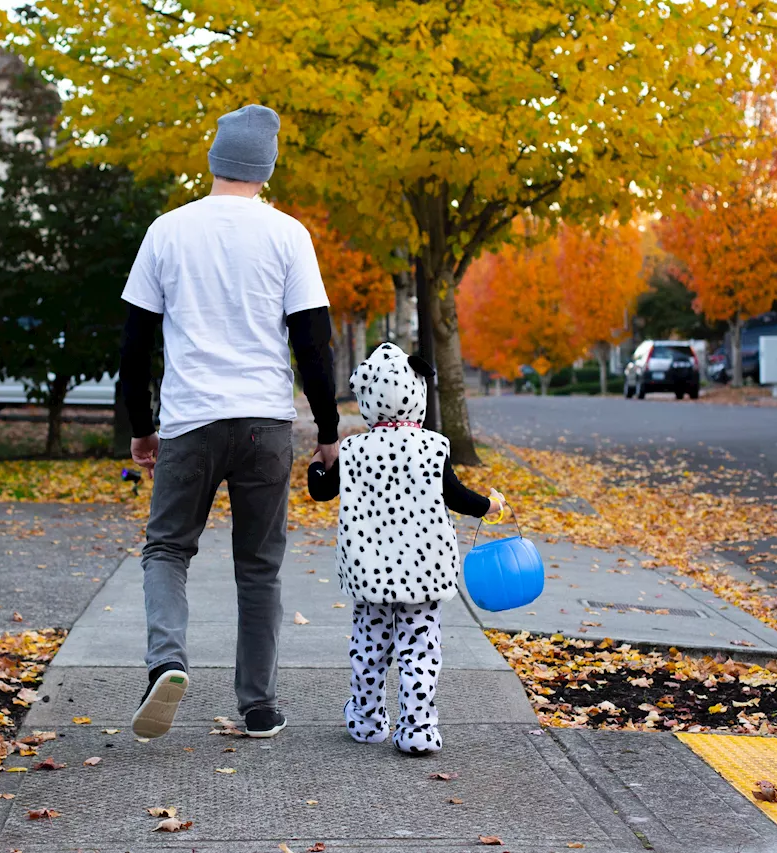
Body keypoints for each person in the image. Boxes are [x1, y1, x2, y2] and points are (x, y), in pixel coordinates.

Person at [119, 104, 340, 740]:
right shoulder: (288, 235)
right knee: (259, 567)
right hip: (265, 426)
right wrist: (326, 433)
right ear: (266, 169)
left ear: (215, 159)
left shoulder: (167, 230)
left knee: (166, 548)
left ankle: (167, 660)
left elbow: (134, 344)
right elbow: (314, 344)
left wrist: (141, 426)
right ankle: (260, 705)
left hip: (189, 422)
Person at [307, 343, 503, 754]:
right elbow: (458, 496)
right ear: (417, 390)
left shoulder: (353, 450)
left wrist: (315, 465)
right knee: (420, 649)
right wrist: (491, 505)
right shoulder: (434, 446)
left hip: (369, 570)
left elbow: (321, 491)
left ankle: (365, 720)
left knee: (369, 646)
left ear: (367, 397)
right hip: (423, 571)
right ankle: (417, 728)